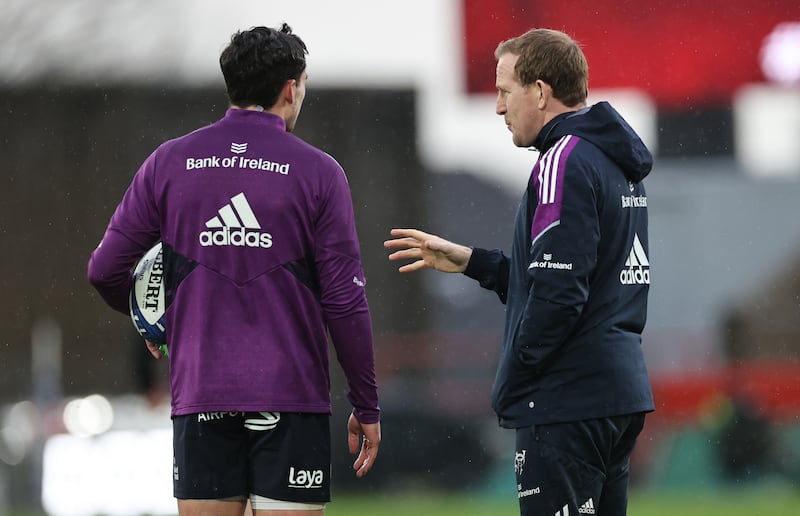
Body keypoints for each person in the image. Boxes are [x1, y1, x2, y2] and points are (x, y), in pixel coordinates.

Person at [88, 23, 380, 516]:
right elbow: (344, 300)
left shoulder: (169, 162)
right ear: (291, 87)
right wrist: (365, 403)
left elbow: (105, 270)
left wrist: (152, 321)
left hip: (203, 392)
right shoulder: (319, 172)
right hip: (291, 398)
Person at [385, 28, 654, 516]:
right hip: (616, 392)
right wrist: (474, 263)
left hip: (566, 400)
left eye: (505, 91)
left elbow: (559, 292)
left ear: (540, 92)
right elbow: (577, 281)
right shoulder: (614, 163)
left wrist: (518, 378)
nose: (498, 107)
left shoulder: (561, 162)